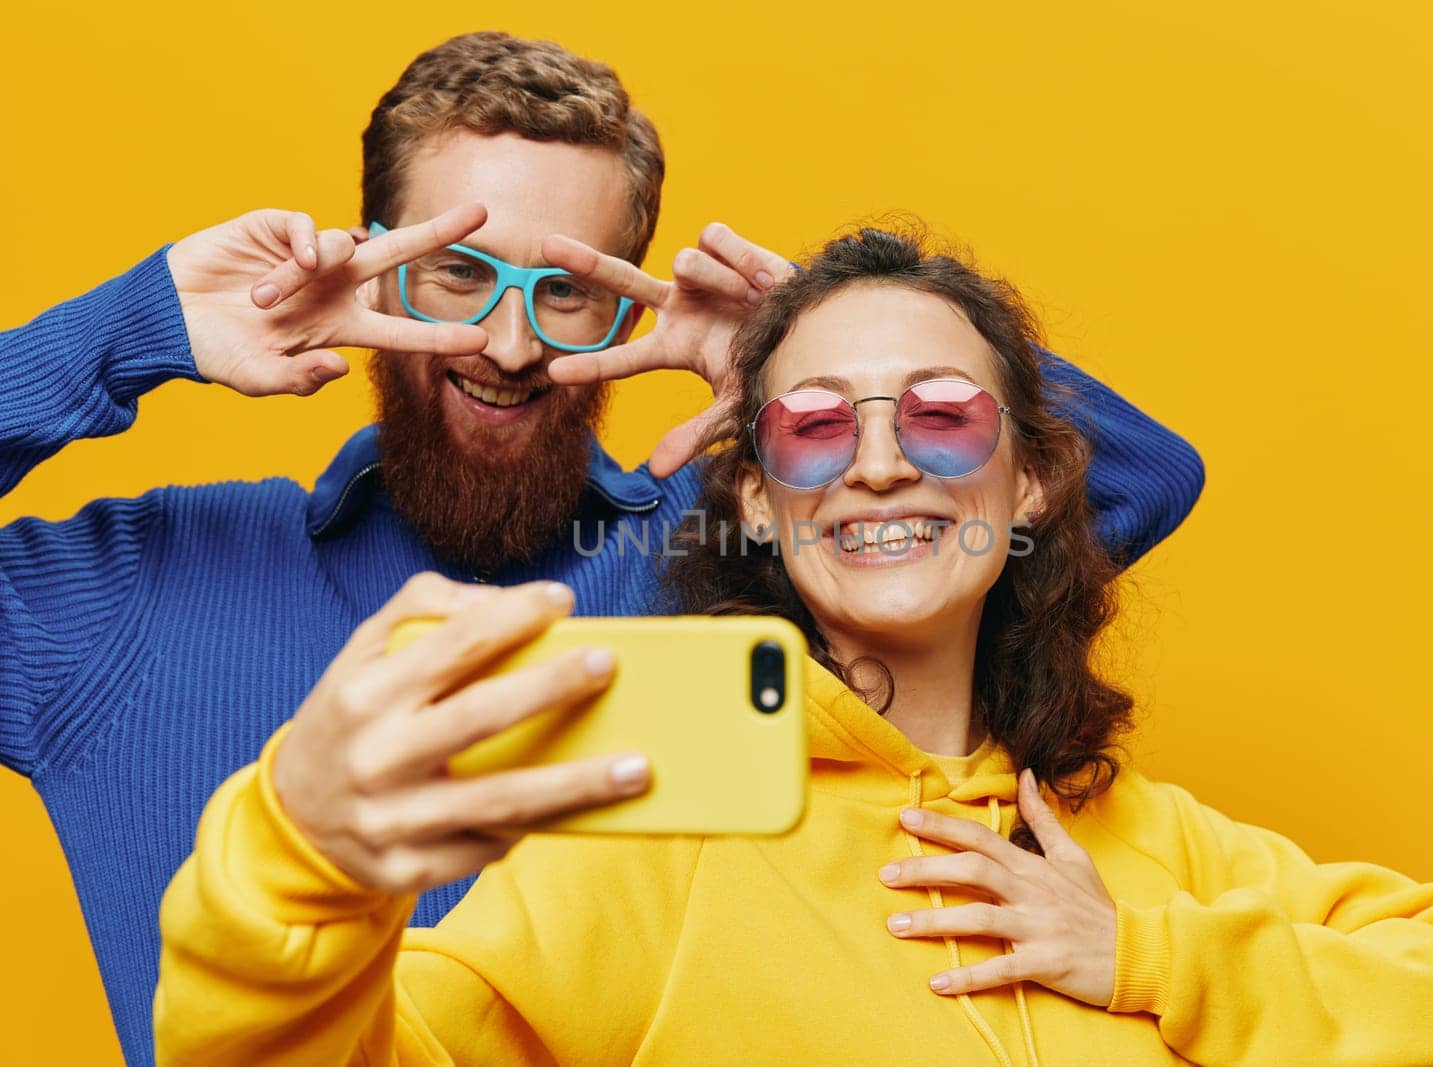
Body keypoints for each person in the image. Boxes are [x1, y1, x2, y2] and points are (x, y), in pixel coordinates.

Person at [0, 32, 1203, 1065]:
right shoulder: (129, 594)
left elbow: (1130, 483)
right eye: (458, 275)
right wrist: (133, 330)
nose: (510, 344)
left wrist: (810, 356)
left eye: (565, 291)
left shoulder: (743, 562)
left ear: (629, 301)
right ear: (370, 260)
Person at [153, 226, 1433, 1065]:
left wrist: (1147, 952)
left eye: (945, 415)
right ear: (762, 502)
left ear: (1030, 482)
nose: (882, 464)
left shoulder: (1164, 849)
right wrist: (300, 859)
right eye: (817, 422)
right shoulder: (644, 857)